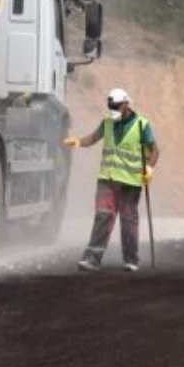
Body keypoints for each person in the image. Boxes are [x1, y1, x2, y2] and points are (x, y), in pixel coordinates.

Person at [63, 87, 160, 273]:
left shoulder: (142, 125)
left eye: (116, 107)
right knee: (102, 216)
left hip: (130, 183)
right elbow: (93, 138)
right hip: (107, 180)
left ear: (126, 104)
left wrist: (149, 168)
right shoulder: (107, 123)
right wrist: (78, 142)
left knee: (128, 219)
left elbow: (155, 150)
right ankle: (91, 259)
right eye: (111, 107)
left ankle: (131, 260)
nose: (113, 110)